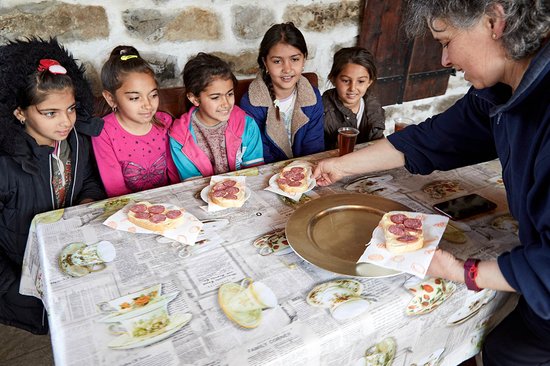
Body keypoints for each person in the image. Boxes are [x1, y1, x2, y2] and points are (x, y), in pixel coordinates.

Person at [313, 1, 550, 364]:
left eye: (445, 40)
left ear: (494, 22)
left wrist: (461, 271)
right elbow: (430, 139)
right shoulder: (498, 89)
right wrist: (343, 167)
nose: (444, 60)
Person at [0, 38, 106, 334]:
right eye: (50, 113)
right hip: (21, 279)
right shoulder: (6, 163)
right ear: (20, 113)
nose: (65, 122)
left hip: (69, 257)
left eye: (71, 109)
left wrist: (88, 201)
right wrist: (11, 290)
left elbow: (88, 180)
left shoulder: (75, 141)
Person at [92, 46, 179, 197]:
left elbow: (174, 173)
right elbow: (115, 189)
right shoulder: (104, 132)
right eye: (134, 98)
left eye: (153, 95)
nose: (148, 105)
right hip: (128, 209)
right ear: (111, 98)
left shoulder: (165, 122)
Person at [169, 53, 264, 180]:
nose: (226, 103)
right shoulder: (180, 137)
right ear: (194, 99)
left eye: (229, 94)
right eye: (215, 97)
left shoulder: (246, 125)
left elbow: (254, 173)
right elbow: (191, 184)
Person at [240, 22, 324, 163]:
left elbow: (314, 149)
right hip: (268, 175)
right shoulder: (251, 103)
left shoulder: (312, 96)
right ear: (265, 63)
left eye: (295, 59)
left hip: (307, 172)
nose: (287, 68)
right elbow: (260, 155)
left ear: (304, 59)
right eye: (277, 61)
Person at [323, 47, 386, 150]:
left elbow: (378, 143)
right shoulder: (322, 111)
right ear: (333, 79)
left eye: (360, 81)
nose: (352, 88)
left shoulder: (374, 107)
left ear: (369, 82)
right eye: (346, 81)